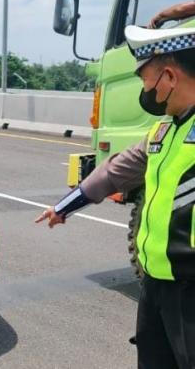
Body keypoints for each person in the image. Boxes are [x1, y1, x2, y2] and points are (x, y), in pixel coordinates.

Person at [35, 25, 195, 369]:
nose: (144, 91)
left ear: (168, 77)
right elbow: (115, 171)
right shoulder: (164, 131)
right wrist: (65, 207)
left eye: (145, 80)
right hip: (156, 287)